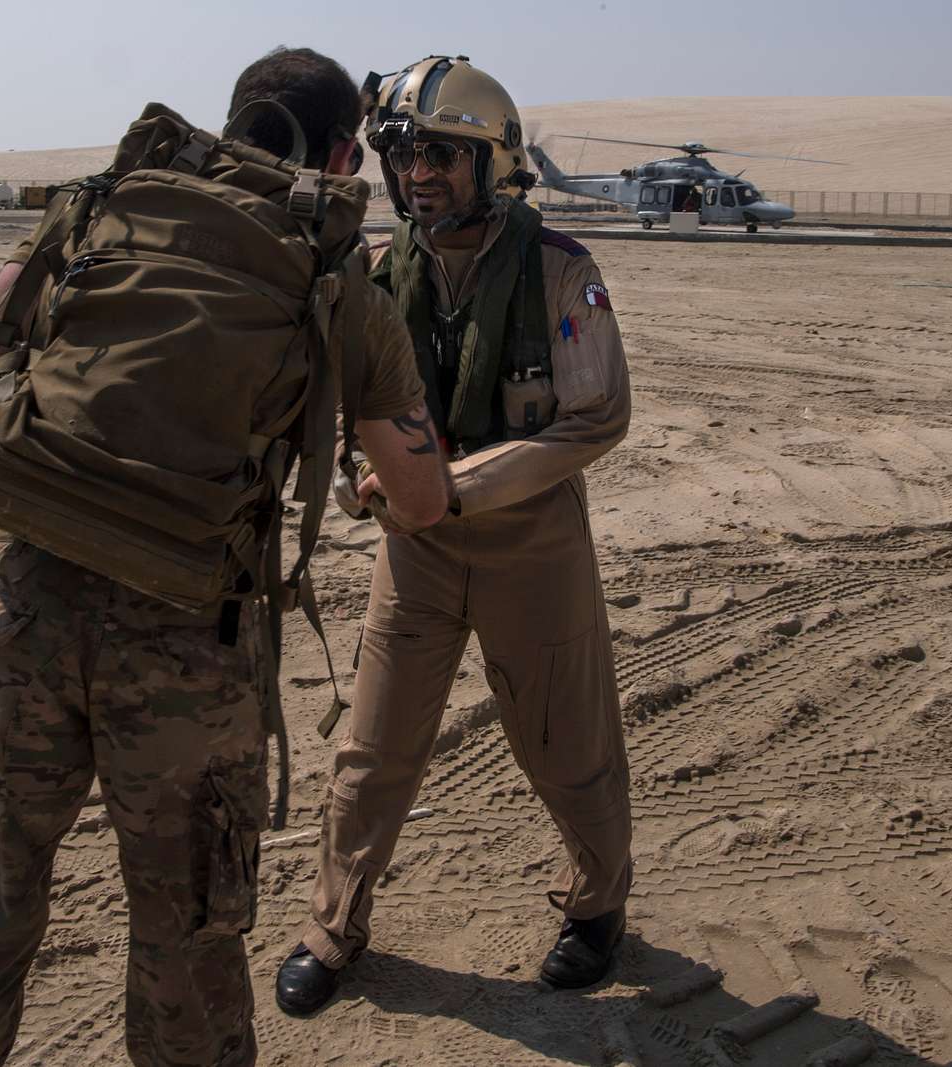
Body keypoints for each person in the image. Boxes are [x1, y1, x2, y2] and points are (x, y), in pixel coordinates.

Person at [0, 47, 448, 1067]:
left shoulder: (105, 210)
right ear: (339, 150)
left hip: (24, 609)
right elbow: (419, 492)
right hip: (191, 648)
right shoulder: (333, 275)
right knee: (184, 938)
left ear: (235, 122)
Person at [274, 55, 634, 1014]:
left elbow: (593, 419)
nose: (419, 172)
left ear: (493, 161)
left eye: (441, 153)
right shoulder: (384, 274)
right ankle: (333, 922)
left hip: (533, 543)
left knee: (565, 742)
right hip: (417, 547)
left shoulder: (564, 273)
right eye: (403, 155)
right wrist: (365, 476)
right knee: (374, 747)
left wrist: (449, 487)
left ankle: (600, 904)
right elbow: (364, 407)